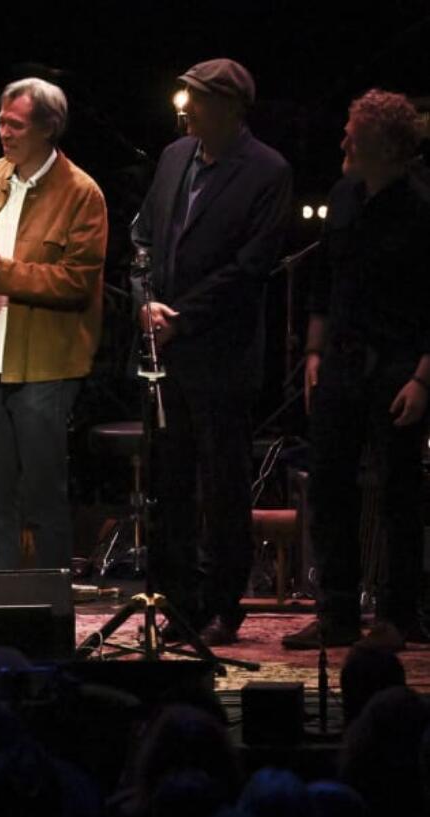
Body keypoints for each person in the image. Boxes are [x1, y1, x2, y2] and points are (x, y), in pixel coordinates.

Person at [131, 58, 292, 646]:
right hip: (166, 352)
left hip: (220, 355)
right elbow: (143, 237)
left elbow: (250, 269)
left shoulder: (268, 171)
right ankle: (179, 600)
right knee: (170, 484)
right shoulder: (176, 158)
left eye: (196, 98)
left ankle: (224, 603)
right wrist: (145, 304)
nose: (186, 107)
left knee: (222, 486)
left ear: (227, 107)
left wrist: (183, 318)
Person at [282, 89, 430, 652]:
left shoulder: (421, 205)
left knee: (397, 492)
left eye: (355, 134)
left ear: (388, 147)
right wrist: (314, 355)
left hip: (398, 364)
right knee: (330, 487)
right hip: (341, 360)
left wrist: (422, 379)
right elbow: (326, 281)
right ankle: (337, 610)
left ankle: (397, 613)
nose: (343, 141)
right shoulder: (344, 195)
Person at [0, 77, 107, 573]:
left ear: (48, 129)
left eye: (15, 124)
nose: (3, 132)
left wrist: (0, 271)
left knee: (42, 498)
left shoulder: (81, 193)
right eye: (0, 121)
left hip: (45, 367)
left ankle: (49, 613)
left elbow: (78, 281)